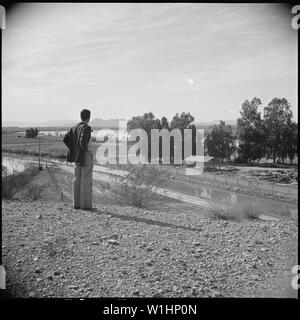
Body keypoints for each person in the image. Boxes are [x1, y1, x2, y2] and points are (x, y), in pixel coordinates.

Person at [63, 109, 94, 210]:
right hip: (85, 155)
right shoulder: (87, 128)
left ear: (81, 117)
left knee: (77, 180)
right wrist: (84, 151)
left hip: (77, 157)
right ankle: (86, 206)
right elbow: (82, 142)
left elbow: (65, 139)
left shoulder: (73, 128)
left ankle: (76, 204)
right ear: (89, 118)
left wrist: (74, 150)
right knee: (86, 180)